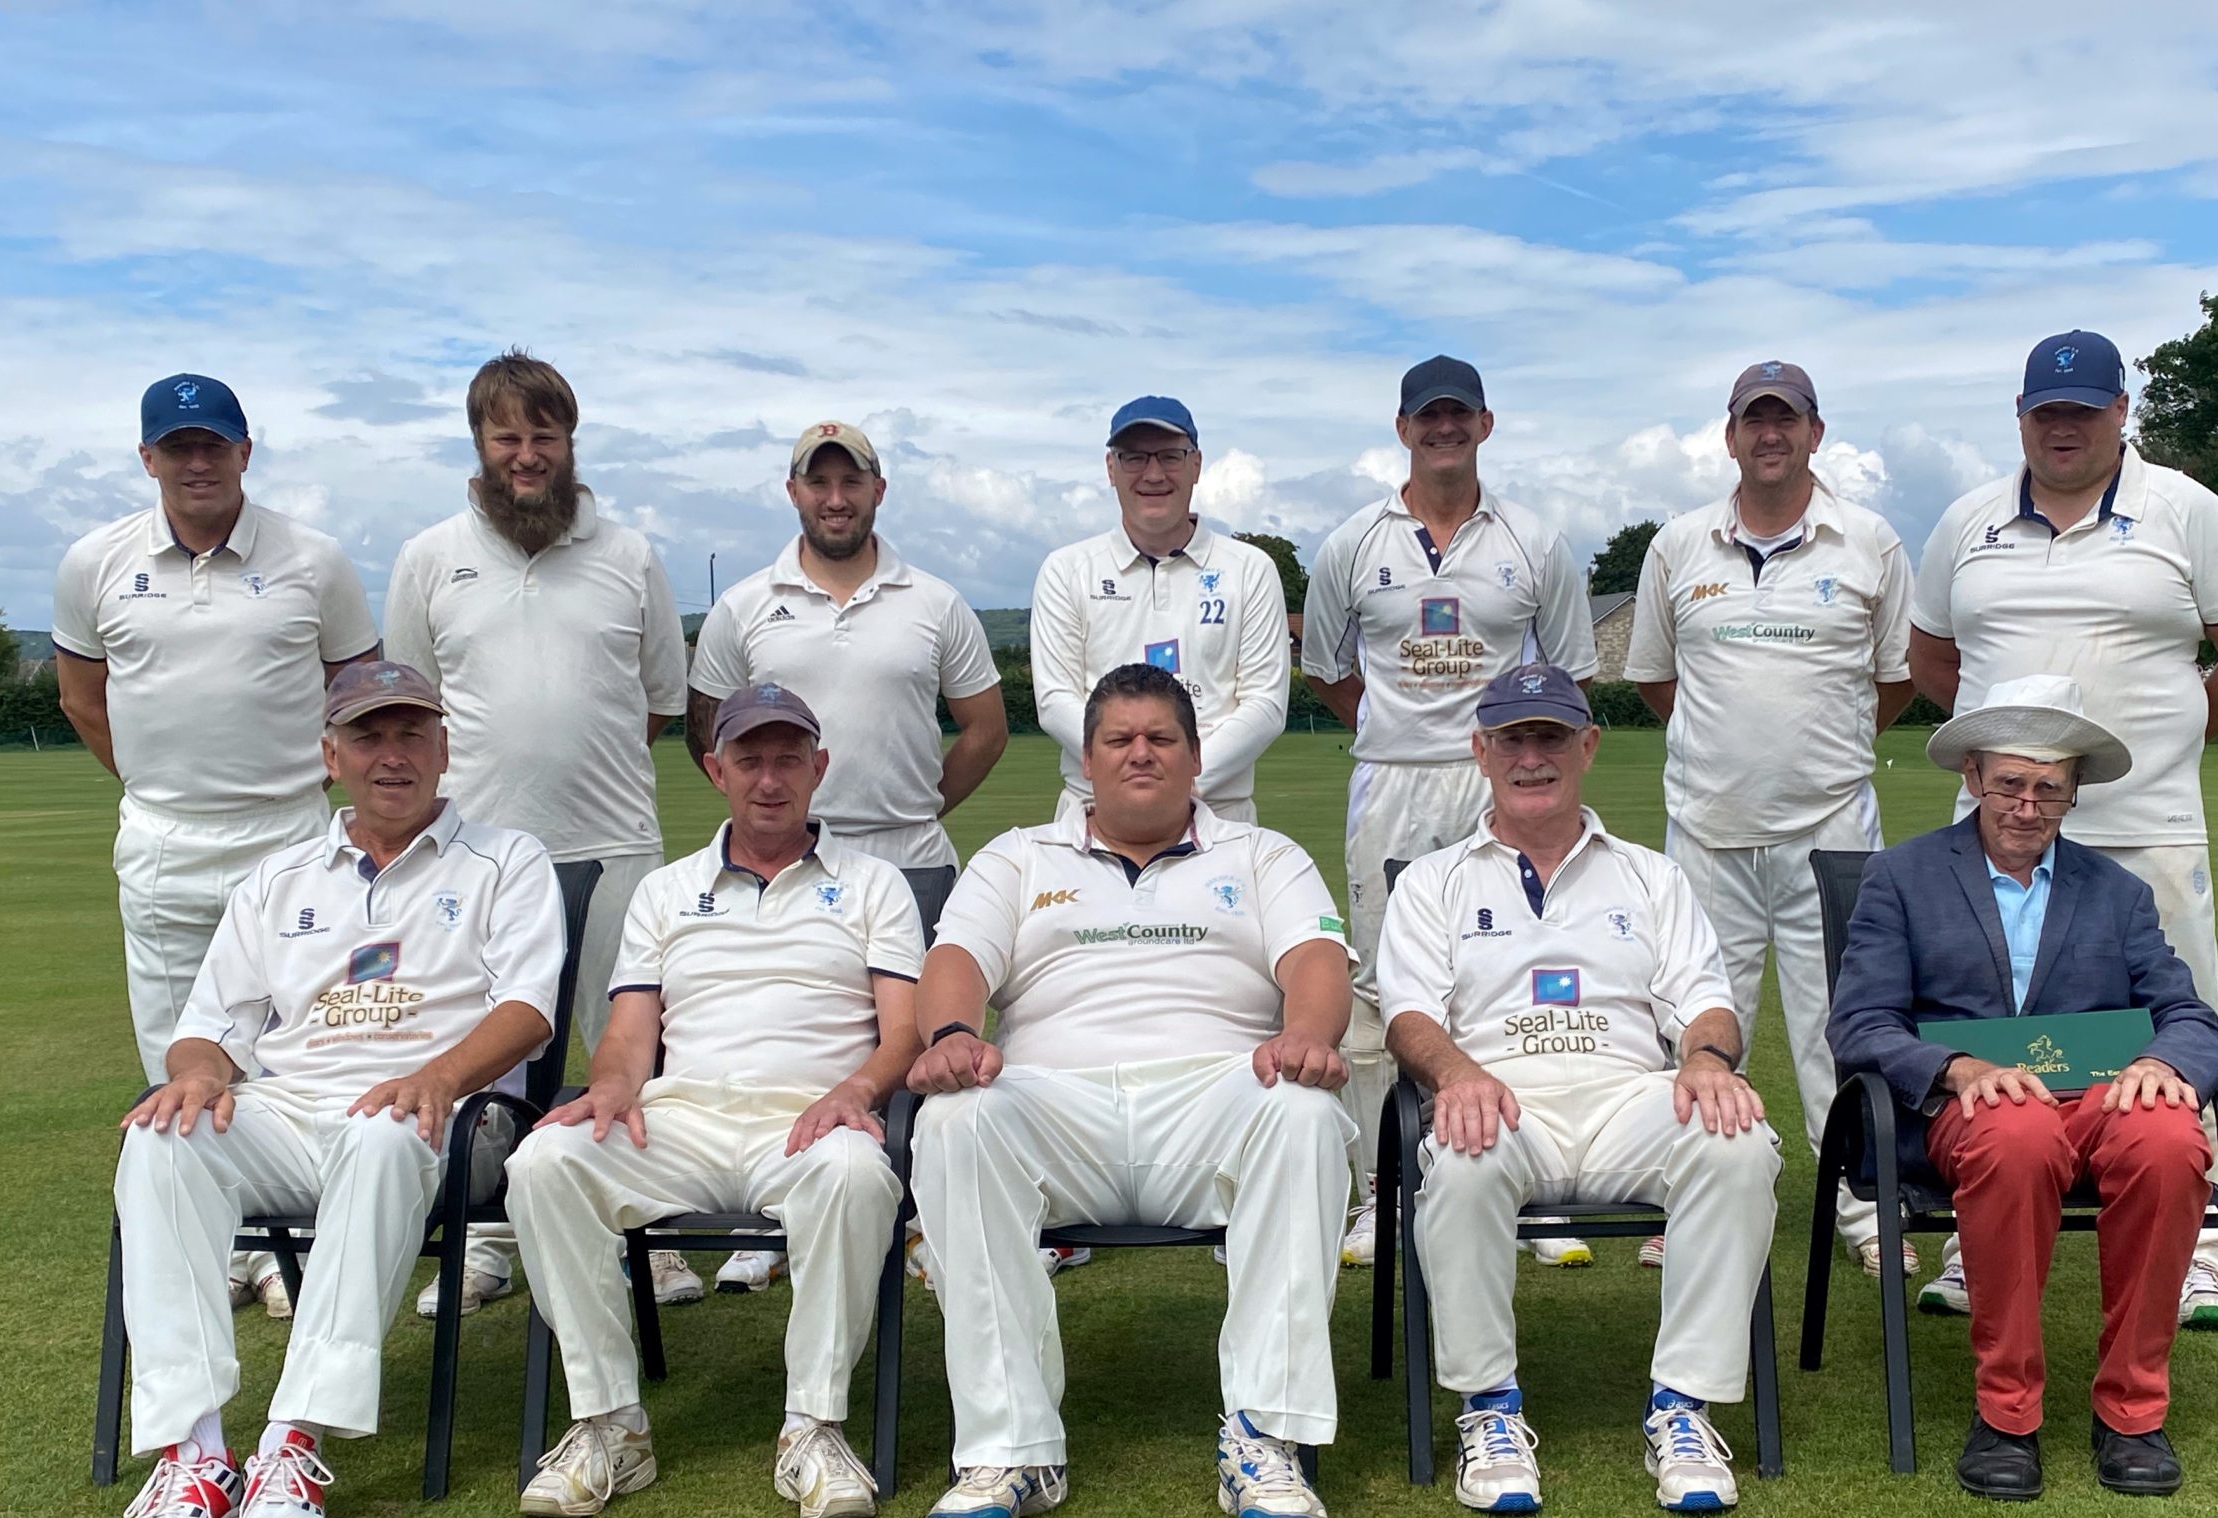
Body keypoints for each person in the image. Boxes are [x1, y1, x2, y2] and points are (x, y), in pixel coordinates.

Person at [106, 661, 562, 1518]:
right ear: (330, 756)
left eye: (410, 735)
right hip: (292, 1106)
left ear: (443, 748)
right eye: (367, 737)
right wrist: (196, 1076)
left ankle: (293, 1443)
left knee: (383, 1132)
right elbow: (209, 1026)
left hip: (451, 1113)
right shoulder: (277, 879)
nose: (392, 756)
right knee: (161, 1137)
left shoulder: (507, 860)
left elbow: (528, 1010)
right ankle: (194, 1456)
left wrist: (436, 1076)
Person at [906, 663, 1354, 1518]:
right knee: (955, 1119)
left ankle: (1266, 1440)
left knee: (1301, 1112)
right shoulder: (1018, 856)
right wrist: (953, 1034)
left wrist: (1306, 1034)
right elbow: (955, 958)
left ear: (1196, 757)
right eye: (1119, 739)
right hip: (1056, 1103)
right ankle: (1010, 1450)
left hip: (1212, 1097)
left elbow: (1317, 959)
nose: (1139, 753)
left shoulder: (1261, 855)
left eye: (1161, 738)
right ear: (1087, 758)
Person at [1906, 330, 2218, 1328]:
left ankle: (2197, 1247)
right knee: (1986, 1019)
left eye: (2082, 411)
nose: (2062, 429)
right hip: (1997, 830)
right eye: (2045, 413)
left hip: (2146, 822)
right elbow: (1933, 662)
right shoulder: (1967, 522)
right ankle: (1971, 1238)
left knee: (2175, 1030)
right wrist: (2012, 760)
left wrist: (2163, 742)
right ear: (2021, 417)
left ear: (2121, 411)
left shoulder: (2188, 512)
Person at [506, 683, 921, 1518]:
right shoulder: (665, 891)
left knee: (855, 1173)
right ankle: (610, 1424)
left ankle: (813, 1427)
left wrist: (854, 1091)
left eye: (788, 759)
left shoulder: (875, 884)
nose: (769, 779)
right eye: (749, 760)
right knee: (544, 1161)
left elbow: (904, 1031)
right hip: (681, 1117)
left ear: (819, 768)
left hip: (810, 1119)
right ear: (715, 770)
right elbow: (629, 1033)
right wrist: (610, 1085)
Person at [1827, 676, 2218, 1500]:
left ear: (2075, 791)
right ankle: (2007, 1413)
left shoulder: (2117, 892)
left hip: (2095, 1102)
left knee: (2169, 1138)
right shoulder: (1901, 877)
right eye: (2010, 784)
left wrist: (2165, 1064)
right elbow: (1861, 1021)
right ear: (1974, 776)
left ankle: (2132, 1411)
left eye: (2049, 789)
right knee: (2017, 1132)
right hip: (1967, 1108)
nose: (2027, 806)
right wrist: (1955, 1067)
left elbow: (2190, 1015)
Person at [1381, 662, 1780, 1518]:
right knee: (1464, 1154)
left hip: (1629, 1094)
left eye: (1551, 737)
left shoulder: (1651, 876)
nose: (1532, 757)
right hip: (1501, 1096)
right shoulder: (1432, 881)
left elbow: (1707, 1002)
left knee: (1739, 1143)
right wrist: (1456, 1074)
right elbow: (1408, 1016)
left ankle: (1683, 1407)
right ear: (1481, 751)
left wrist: (1707, 1060)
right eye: (1512, 739)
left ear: (1588, 746)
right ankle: (1489, 1409)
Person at [53, 373, 380, 1317]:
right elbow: (82, 699)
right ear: (147, 457)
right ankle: (223, 1251)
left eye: (213, 444)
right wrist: (162, 789)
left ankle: (287, 1251)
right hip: (164, 839)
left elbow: (358, 696)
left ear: (244, 451)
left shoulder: (314, 560)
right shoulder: (94, 562)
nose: (197, 462)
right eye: (177, 447)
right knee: (179, 1054)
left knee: (293, 1049)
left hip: (287, 830)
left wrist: (298, 785)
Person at [382, 351, 690, 1312]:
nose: (526, 455)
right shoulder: (430, 555)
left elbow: (658, 698)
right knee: (492, 1053)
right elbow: (415, 703)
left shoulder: (628, 554)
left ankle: (651, 1236)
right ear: (479, 443)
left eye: (543, 436)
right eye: (506, 436)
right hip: (478, 853)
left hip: (615, 838)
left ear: (570, 441)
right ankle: (487, 1241)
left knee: (632, 1042)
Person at [684, 419, 1008, 1293]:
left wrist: (919, 803)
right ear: (794, 492)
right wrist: (769, 814)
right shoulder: (744, 605)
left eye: (851, 481)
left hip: (912, 858)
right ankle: (779, 1212)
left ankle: (926, 1220)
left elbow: (984, 728)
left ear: (877, 490)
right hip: (790, 865)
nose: (835, 498)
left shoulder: (934, 601)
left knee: (928, 1049)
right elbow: (707, 729)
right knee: (801, 1036)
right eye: (818, 483)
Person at [1303, 355, 1600, 1268]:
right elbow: (1328, 671)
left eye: (1459, 415)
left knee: (1513, 972)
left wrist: (1493, 750)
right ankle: (1381, 1194)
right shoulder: (1353, 544)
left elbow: (1570, 680)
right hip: (1391, 783)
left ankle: (1526, 1183)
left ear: (1484, 423)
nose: (1444, 429)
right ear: (1403, 428)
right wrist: (1403, 731)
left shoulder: (1534, 543)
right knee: (1377, 988)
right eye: (1427, 416)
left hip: (1500, 778)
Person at [1628, 360, 1916, 1280]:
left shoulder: (1869, 542)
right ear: (1730, 436)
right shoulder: (1679, 545)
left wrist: (1815, 755)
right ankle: (1690, 1198)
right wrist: (1731, 755)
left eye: (1786, 419)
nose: (1770, 435)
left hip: (1832, 832)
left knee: (1844, 1024)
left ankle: (1864, 1205)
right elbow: (1658, 680)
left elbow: (1894, 680)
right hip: (1707, 830)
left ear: (1814, 433)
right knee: (1696, 1023)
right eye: (1754, 419)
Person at [1029, 396, 1289, 823]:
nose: (1153, 474)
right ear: (1111, 468)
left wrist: (1183, 781)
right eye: (1134, 457)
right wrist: (1127, 781)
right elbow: (1056, 700)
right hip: (1095, 812)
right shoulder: (1067, 570)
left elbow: (1265, 705)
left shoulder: (1249, 569)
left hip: (1218, 814)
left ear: (1196, 465)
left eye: (1170, 456)